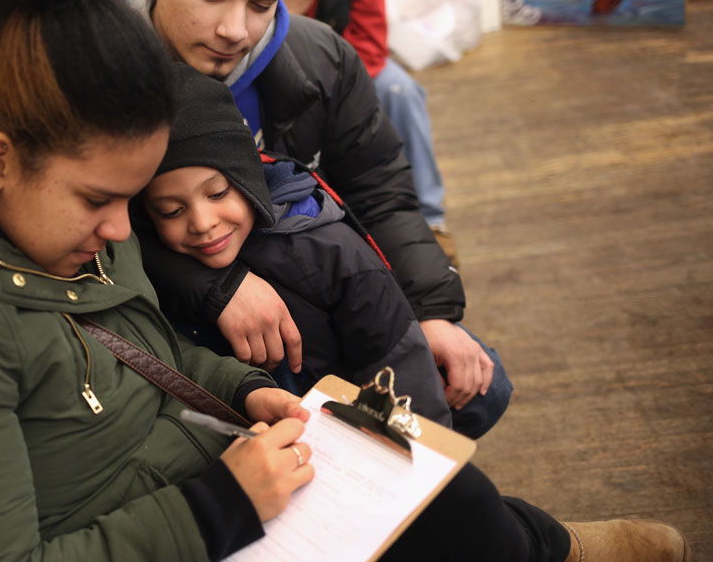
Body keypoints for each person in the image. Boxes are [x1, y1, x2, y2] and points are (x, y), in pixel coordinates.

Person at [0, 0, 690, 562]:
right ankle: (549, 561)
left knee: (423, 503)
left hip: (188, 491)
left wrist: (242, 391)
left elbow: (143, 354)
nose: (126, 231)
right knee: (447, 524)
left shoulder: (47, 227)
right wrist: (224, 506)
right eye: (101, 201)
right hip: (176, 542)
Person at [96, 0, 498, 417]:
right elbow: (87, 229)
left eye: (262, 4)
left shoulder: (323, 58)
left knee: (478, 386)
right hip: (175, 327)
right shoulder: (83, 71)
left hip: (316, 301)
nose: (234, 30)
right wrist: (216, 289)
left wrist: (431, 312)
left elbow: (377, 189)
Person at [139, 63, 510, 438]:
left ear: (249, 176)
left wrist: (411, 462)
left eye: (218, 193)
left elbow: (399, 369)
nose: (202, 222)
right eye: (171, 210)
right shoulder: (145, 265)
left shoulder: (330, 252)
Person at [282, 0, 456, 264]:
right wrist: (288, 11)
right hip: (285, 65)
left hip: (346, 68)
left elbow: (372, 45)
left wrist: (331, 81)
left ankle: (432, 218)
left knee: (401, 90)